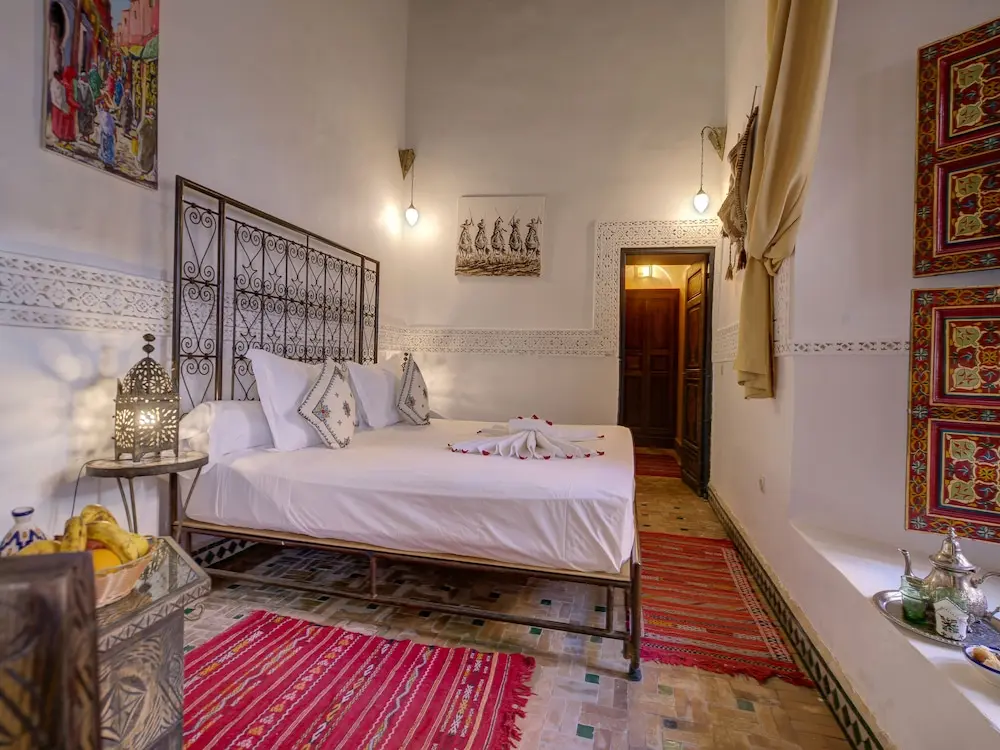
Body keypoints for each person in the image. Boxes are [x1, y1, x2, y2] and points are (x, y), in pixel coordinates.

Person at [49, 67, 77, 143]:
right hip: (57, 105)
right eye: (59, 75)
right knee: (58, 122)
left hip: (63, 104)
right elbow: (54, 96)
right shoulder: (54, 83)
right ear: (56, 75)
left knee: (62, 122)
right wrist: (60, 105)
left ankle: (63, 137)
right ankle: (59, 138)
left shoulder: (61, 82)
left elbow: (64, 94)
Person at [76, 69, 96, 141]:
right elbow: (91, 98)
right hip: (87, 107)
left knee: (81, 121)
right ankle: (87, 136)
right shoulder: (87, 86)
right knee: (87, 121)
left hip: (81, 107)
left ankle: (83, 135)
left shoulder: (77, 85)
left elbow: (77, 96)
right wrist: (93, 108)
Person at [97, 95, 116, 169]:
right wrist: (102, 98)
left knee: (109, 149)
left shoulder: (110, 117)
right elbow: (97, 103)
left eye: (107, 106)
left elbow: (114, 127)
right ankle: (106, 162)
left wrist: (115, 135)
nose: (106, 107)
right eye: (105, 105)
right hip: (104, 133)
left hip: (109, 134)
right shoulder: (101, 113)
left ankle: (108, 162)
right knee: (104, 147)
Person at [137, 106, 156, 175]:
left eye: (153, 113)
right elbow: (139, 130)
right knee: (143, 154)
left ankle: (146, 170)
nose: (152, 115)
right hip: (145, 141)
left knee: (149, 156)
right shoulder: (146, 119)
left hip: (151, 142)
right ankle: (142, 169)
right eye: (151, 113)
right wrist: (143, 136)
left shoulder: (154, 122)